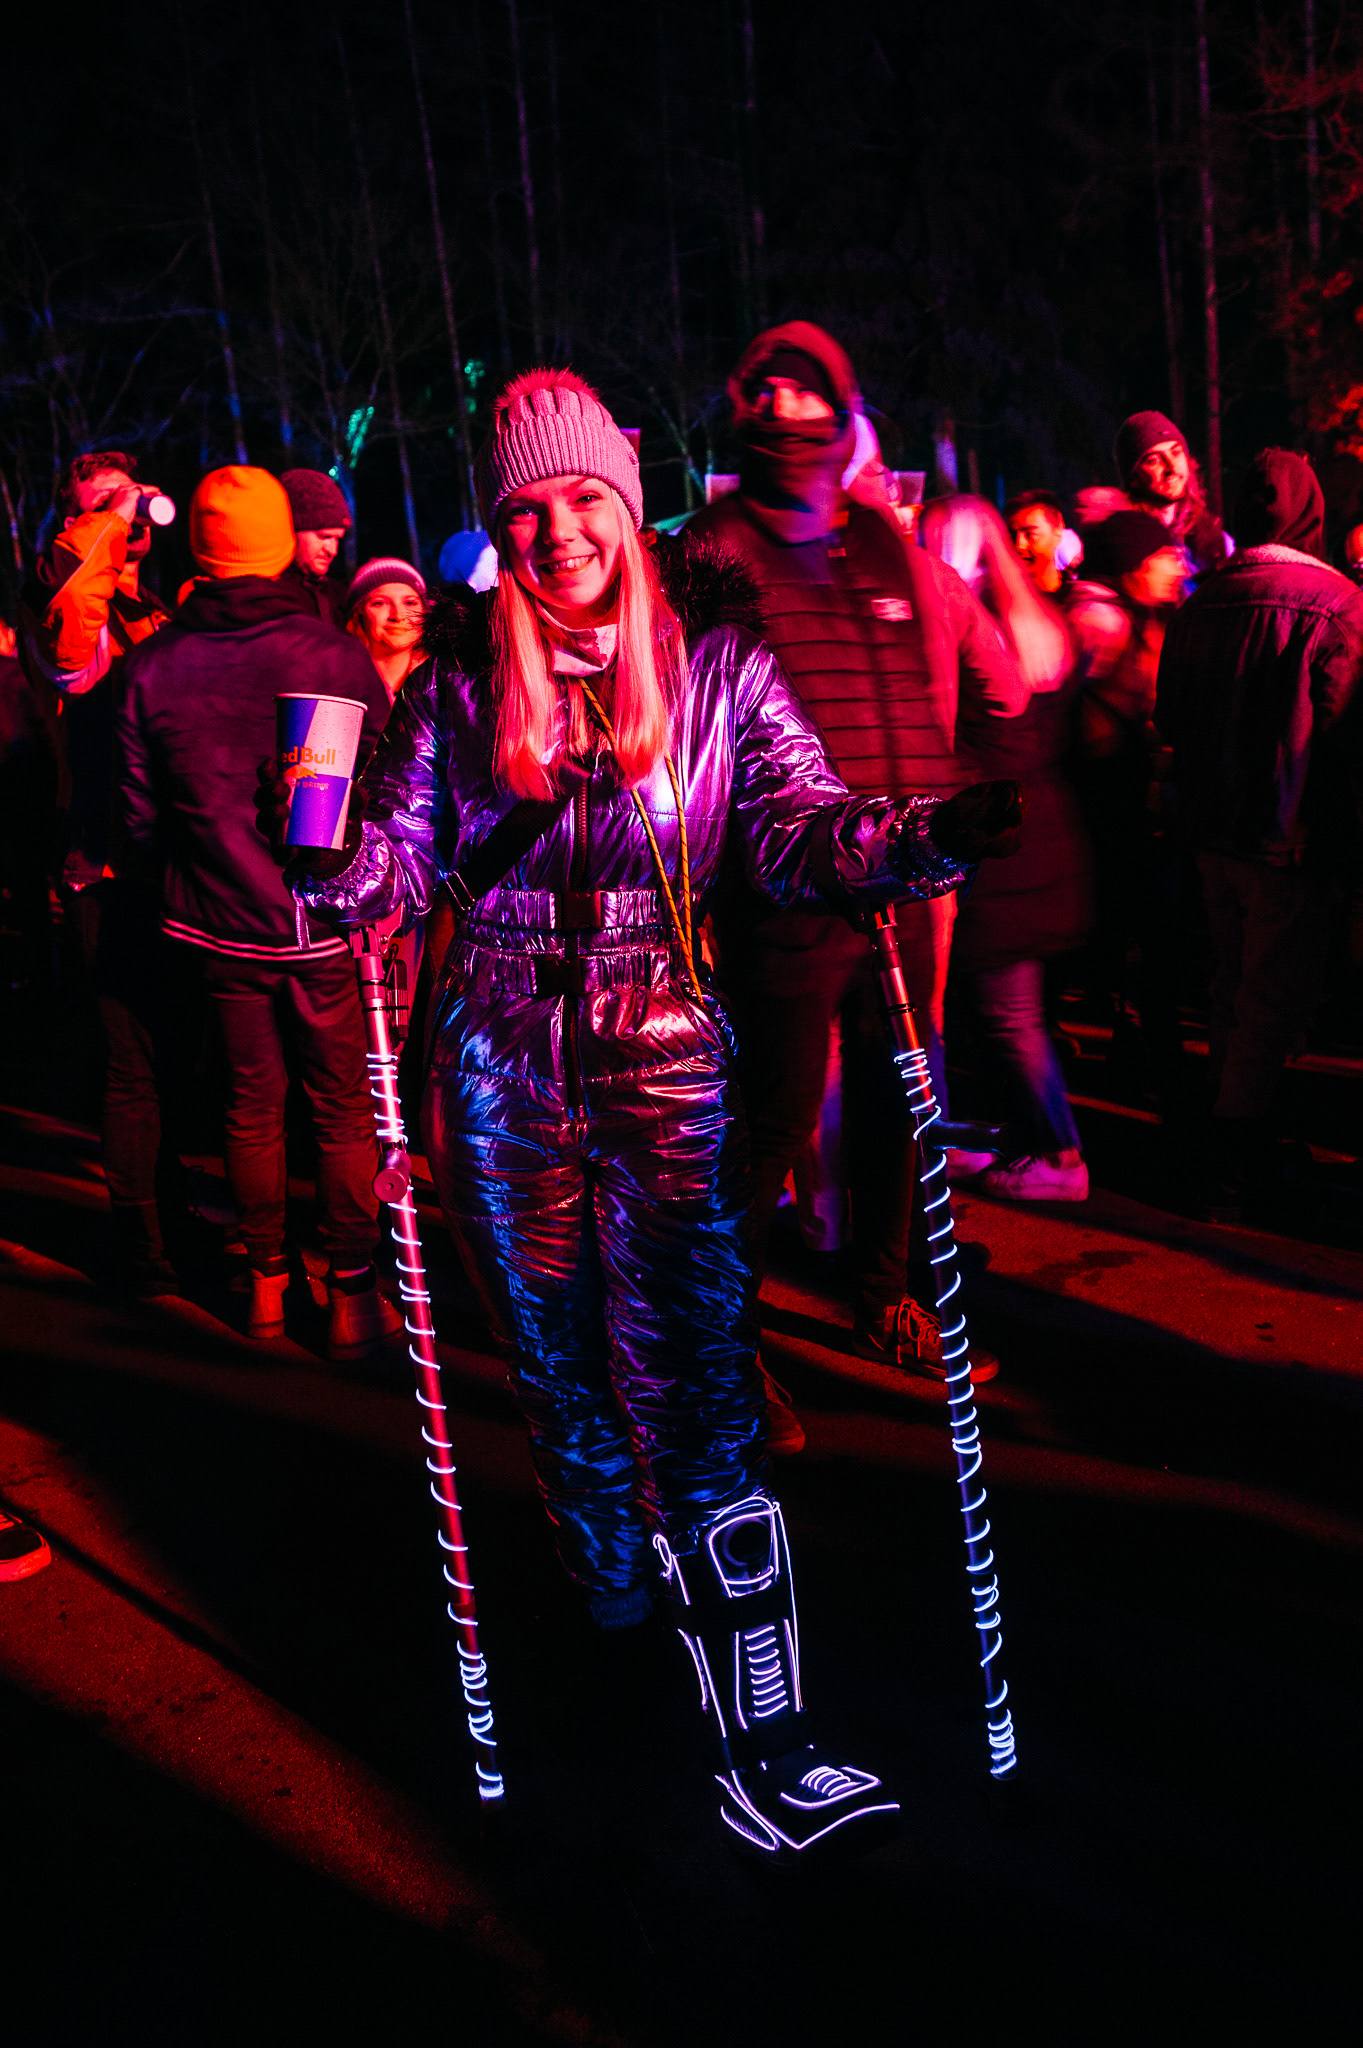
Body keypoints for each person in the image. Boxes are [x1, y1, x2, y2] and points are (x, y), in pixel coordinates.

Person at [275, 367, 1020, 1862]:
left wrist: (912, 834)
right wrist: (329, 868)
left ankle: (767, 1730)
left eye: (583, 500)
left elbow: (795, 828)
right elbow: (396, 860)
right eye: (526, 510)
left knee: (695, 1385)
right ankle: (620, 1626)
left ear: (625, 506)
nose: (558, 533)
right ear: (501, 529)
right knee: (558, 1377)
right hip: (498, 1059)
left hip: (664, 1045)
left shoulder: (718, 668)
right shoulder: (454, 688)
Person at [686, 321, 1027, 1380]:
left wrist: (948, 805)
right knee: (770, 1118)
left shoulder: (878, 540)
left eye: (807, 394)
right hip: (783, 886)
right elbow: (696, 724)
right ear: (742, 409)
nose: (786, 413)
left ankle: (884, 1299)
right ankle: (714, 1343)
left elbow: (944, 678)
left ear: (842, 413)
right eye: (767, 393)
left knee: (898, 1105)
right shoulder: (711, 547)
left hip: (899, 876)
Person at [117, 466, 398, 1359]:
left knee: (249, 1107)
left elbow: (138, 821)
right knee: (342, 1109)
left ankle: (268, 1285)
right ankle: (351, 1291)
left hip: (215, 924)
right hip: (320, 922)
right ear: (279, 544)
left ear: (200, 548)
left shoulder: (150, 667)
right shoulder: (330, 653)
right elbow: (391, 781)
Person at [1156, 449, 1363, 1212]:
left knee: (1228, 982)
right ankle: (1235, 1147)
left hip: (1208, 829)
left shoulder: (1201, 601)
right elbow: (1344, 729)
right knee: (1270, 997)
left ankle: (1224, 1118)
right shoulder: (1336, 604)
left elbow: (1168, 716)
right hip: (1284, 833)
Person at [19, 450, 182, 1294]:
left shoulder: (150, 605)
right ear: (72, 525)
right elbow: (72, 637)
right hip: (102, 860)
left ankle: (177, 1215)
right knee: (131, 1062)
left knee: (178, 1051)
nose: (129, 513)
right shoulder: (57, 602)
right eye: (103, 503)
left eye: (133, 495)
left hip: (167, 858)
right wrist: (110, 525)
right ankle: (141, 1242)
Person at [937, 502, 1094, 1200]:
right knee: (1008, 1014)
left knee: (1002, 1016)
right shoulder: (1041, 622)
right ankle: (1002, 1141)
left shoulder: (967, 631)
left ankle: (1059, 1156)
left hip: (998, 851)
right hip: (1047, 835)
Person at [1063, 510, 1189, 1114]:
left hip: (1117, 802)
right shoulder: (1100, 622)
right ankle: (1156, 1065)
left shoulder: (1126, 616)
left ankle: (1139, 1053)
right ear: (1135, 565)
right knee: (1144, 934)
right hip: (1109, 806)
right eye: (1165, 557)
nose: (1177, 567)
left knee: (1137, 936)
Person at [1115, 410, 1231, 584]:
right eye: (1154, 460)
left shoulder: (1212, 535)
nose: (1171, 468)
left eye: (1176, 452)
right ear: (1134, 479)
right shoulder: (1124, 543)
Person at [345, 557, 428, 704]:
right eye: (380, 603)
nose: (398, 615)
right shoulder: (340, 685)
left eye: (410, 603)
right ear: (359, 613)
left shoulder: (445, 686)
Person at [280, 469, 352, 627]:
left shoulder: (342, 598)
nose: (333, 551)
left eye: (337, 538)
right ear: (291, 530)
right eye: (324, 536)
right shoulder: (267, 599)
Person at [1006, 488, 1070, 596]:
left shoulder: (1081, 600)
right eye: (1012, 535)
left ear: (1058, 529)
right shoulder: (1000, 600)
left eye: (1030, 534)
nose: (1020, 545)